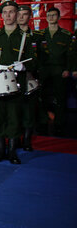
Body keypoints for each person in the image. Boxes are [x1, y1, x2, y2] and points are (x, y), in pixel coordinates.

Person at [0, 1, 36, 164]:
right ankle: (0, 149)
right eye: (5, 12)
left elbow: (35, 61)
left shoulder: (26, 37)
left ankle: (12, 151)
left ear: (17, 14)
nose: (9, 15)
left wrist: (25, 66)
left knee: (14, 117)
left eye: (12, 12)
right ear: (1, 15)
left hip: (16, 81)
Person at [41, 7, 76, 135]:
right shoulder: (41, 34)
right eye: (49, 15)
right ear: (46, 18)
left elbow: (70, 54)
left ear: (59, 17)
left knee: (60, 98)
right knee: (41, 96)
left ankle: (60, 123)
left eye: (54, 15)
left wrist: (68, 69)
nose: (51, 17)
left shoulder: (66, 35)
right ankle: (43, 121)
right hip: (44, 69)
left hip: (59, 69)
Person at [16, 4, 44, 151]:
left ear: (30, 16)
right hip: (13, 79)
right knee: (15, 111)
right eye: (19, 14)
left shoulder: (37, 37)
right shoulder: (11, 35)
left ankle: (27, 140)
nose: (21, 17)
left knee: (28, 111)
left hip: (30, 78)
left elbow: (42, 59)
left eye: (25, 14)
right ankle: (15, 138)